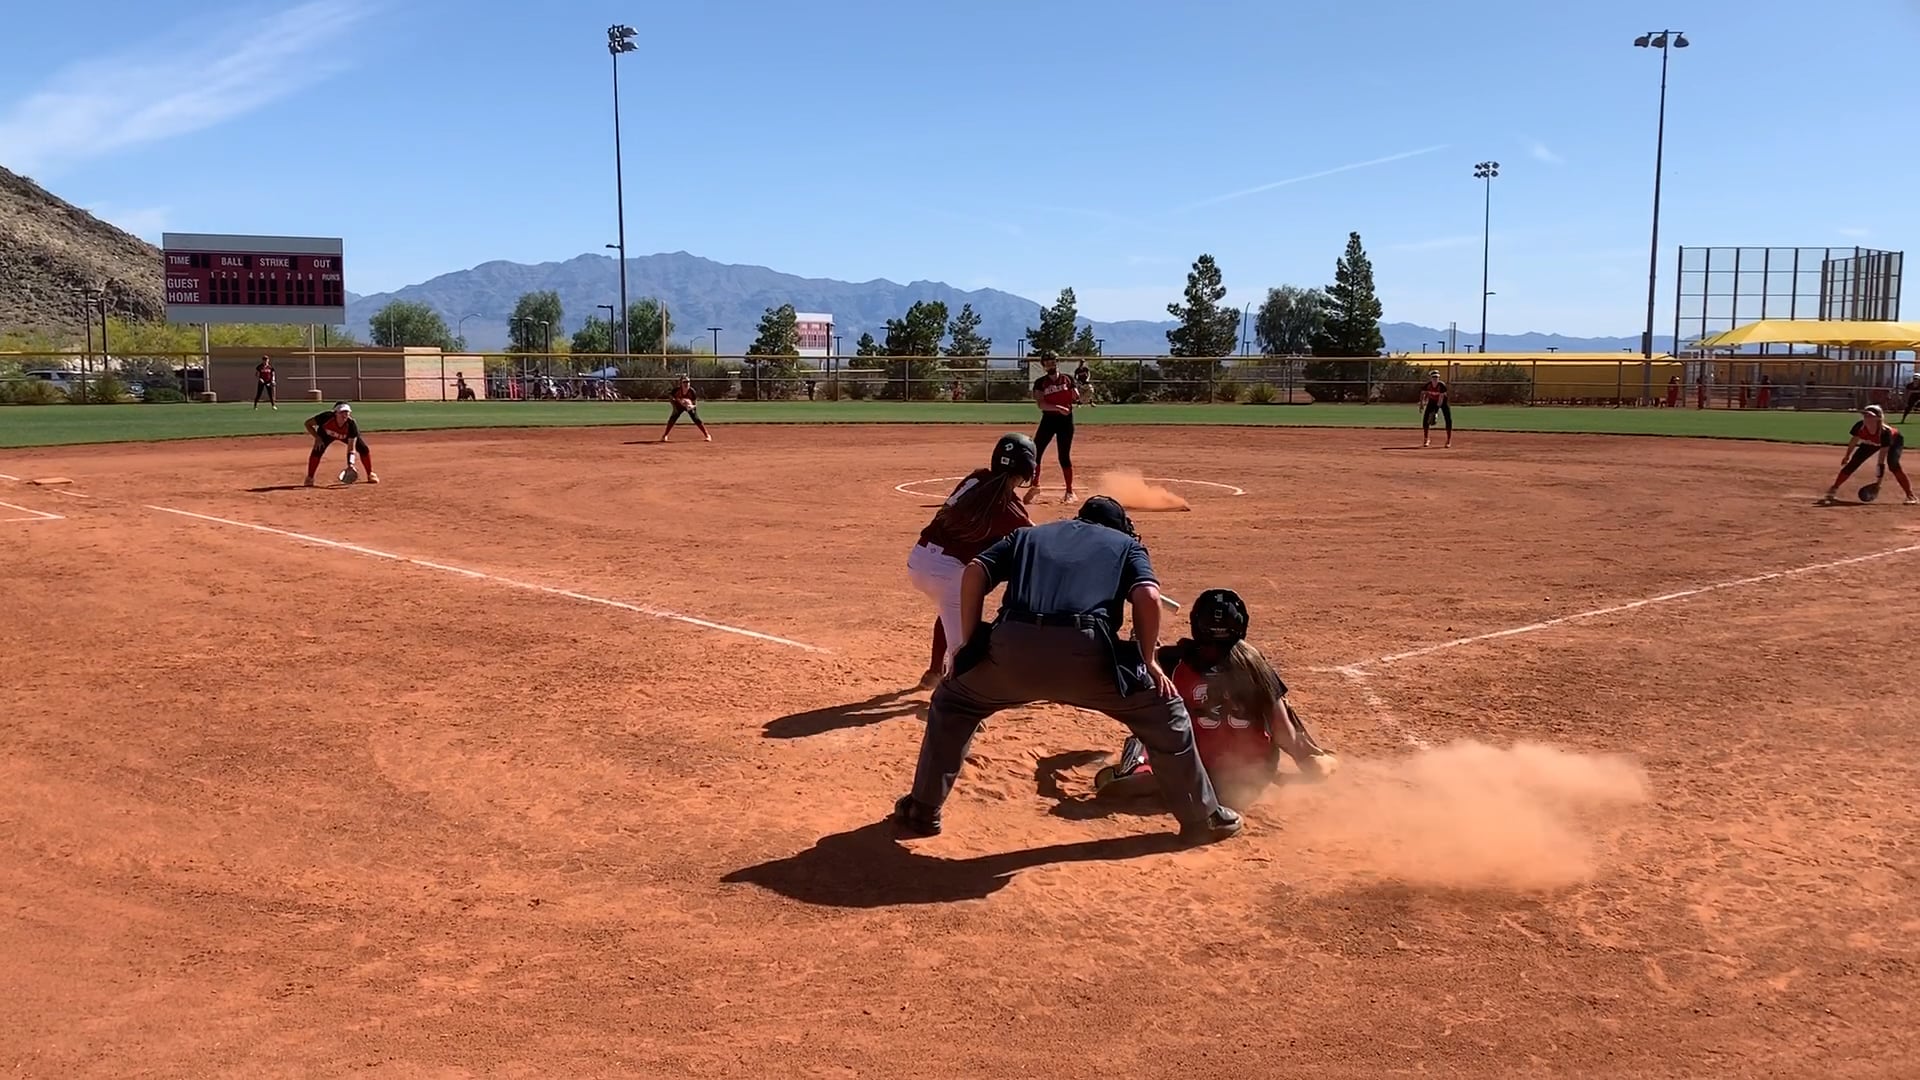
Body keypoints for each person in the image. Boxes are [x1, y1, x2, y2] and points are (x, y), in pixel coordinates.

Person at [891, 495, 1242, 845]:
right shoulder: (1126, 546)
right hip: (1087, 656)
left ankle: (923, 809)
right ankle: (1202, 818)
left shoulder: (1027, 536)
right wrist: (1148, 660)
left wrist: (969, 643)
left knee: (954, 702)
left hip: (1012, 650)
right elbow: (1148, 597)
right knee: (1165, 713)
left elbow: (974, 570)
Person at [1093, 589, 1337, 810]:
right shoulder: (1257, 666)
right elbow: (1284, 735)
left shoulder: (1174, 660)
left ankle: (1139, 765)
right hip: (1250, 779)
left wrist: (1140, 641)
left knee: (1154, 716)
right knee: (1278, 707)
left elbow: (1136, 662)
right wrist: (1309, 761)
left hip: (1196, 774)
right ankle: (1310, 758)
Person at [907, 434, 1037, 688]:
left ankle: (934, 673)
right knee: (964, 648)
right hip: (946, 572)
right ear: (1026, 470)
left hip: (918, 560)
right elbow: (1034, 540)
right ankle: (961, 699)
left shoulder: (975, 478)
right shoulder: (1008, 506)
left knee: (951, 608)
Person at [1820, 404, 1915, 505]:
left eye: (1870, 416)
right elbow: (1854, 441)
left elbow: (1881, 461)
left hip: (1894, 442)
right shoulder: (1860, 426)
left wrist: (1878, 482)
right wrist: (1847, 456)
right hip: (1871, 442)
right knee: (1853, 463)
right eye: (1865, 415)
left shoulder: (1885, 433)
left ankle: (1910, 495)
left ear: (1878, 418)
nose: (1867, 418)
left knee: (1893, 465)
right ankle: (1833, 489)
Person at [1025, 351, 1079, 504]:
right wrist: (1058, 408)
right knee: (1036, 453)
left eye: (1052, 361)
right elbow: (1041, 404)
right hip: (1048, 420)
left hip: (1066, 422)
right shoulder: (1040, 382)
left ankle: (1069, 492)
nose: (1050, 365)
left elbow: (1075, 395)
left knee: (1064, 456)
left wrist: (1078, 395)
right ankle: (1035, 486)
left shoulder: (1068, 379)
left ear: (1057, 362)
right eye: (1046, 362)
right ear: (1043, 365)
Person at [304, 402, 378, 486]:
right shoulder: (325, 417)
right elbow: (308, 424)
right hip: (326, 435)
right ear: (335, 413)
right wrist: (317, 437)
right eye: (342, 412)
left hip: (345, 436)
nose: (344, 415)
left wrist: (351, 464)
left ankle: (370, 474)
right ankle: (310, 477)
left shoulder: (351, 425)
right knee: (317, 450)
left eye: (347, 412)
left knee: (363, 448)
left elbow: (351, 448)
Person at [662, 374, 710, 443]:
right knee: (672, 419)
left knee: (696, 418)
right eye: (684, 382)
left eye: (688, 382)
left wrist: (691, 406)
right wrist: (676, 404)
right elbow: (671, 397)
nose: (686, 384)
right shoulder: (676, 390)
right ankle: (665, 435)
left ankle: (707, 435)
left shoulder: (692, 391)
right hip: (678, 405)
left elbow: (695, 404)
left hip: (689, 406)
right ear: (681, 383)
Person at [1419, 369, 1452, 448]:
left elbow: (1440, 400)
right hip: (1432, 401)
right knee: (1425, 419)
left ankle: (1448, 440)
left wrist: (1435, 412)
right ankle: (1426, 439)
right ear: (1430, 378)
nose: (1435, 379)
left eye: (1436, 377)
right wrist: (1421, 404)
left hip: (1443, 402)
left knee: (1448, 419)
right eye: (1433, 377)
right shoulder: (1428, 385)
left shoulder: (1441, 385)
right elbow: (1423, 393)